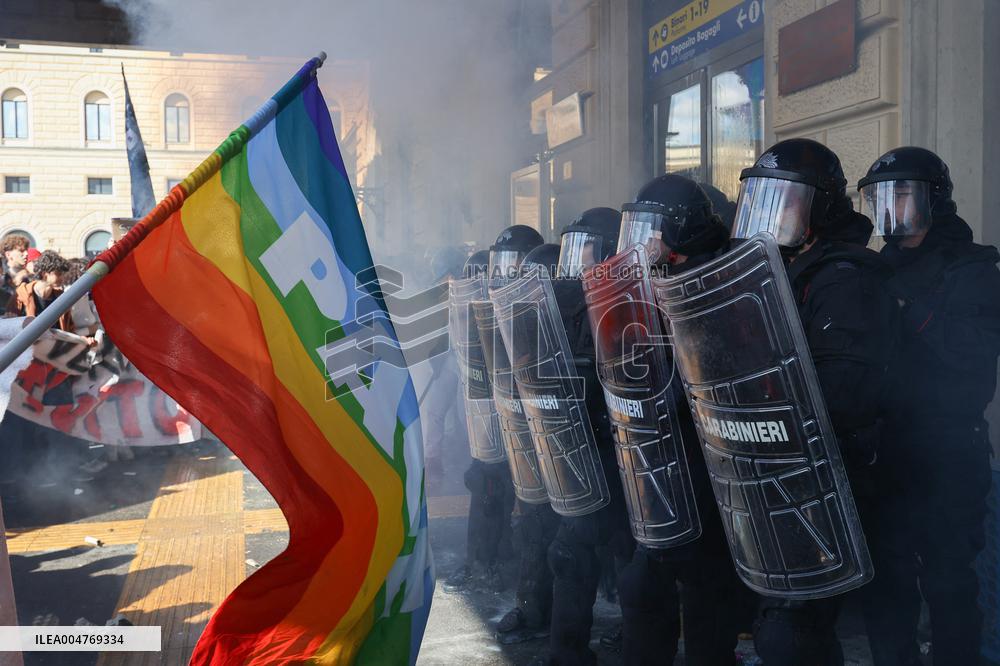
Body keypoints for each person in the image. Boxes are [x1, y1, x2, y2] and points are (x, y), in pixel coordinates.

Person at [731, 138, 898, 665]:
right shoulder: (777, 269)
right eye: (765, 200)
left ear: (822, 207)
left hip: (829, 474)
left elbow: (843, 394)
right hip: (778, 464)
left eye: (787, 200)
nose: (772, 215)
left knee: (794, 628)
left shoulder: (844, 278)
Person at [857, 147, 1000, 665]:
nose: (890, 205)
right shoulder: (875, 266)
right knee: (888, 585)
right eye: (880, 196)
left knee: (947, 583)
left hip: (947, 452)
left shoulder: (975, 267)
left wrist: (905, 305)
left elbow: (973, 355)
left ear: (934, 198)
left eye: (902, 192)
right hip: (886, 451)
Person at [609, 175, 754, 665]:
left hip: (706, 465)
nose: (643, 243)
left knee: (705, 595)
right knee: (645, 587)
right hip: (661, 458)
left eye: (652, 231)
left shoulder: (717, 280)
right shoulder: (652, 280)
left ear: (680, 230)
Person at [538, 208, 635, 665]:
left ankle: (636, 643)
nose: (578, 262)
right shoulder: (565, 298)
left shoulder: (627, 298)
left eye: (588, 248)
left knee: (632, 559)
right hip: (582, 442)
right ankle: (567, 654)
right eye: (573, 249)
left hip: (623, 448)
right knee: (571, 552)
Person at [447, 249, 516, 595]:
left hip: (513, 429)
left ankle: (494, 563)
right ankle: (479, 561)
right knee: (481, 484)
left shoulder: (515, 311)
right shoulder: (474, 316)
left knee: (498, 495)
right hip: (485, 430)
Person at [14, 250, 77, 333]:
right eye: (58, 273)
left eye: (62, 274)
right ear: (45, 274)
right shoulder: (22, 294)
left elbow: (70, 328)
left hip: (55, 344)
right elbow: (11, 323)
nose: (62, 277)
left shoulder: (61, 297)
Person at [2, 234, 31, 315]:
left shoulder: (30, 278)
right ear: (8, 255)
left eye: (26, 250)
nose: (26, 254)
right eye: (21, 251)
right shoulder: (2, 278)